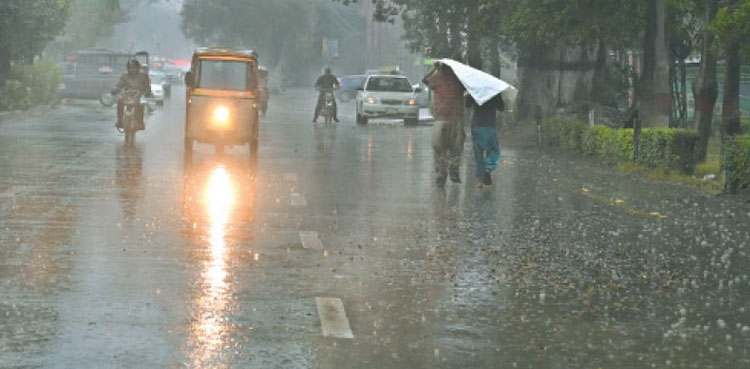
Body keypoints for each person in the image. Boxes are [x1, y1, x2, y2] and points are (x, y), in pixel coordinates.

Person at [422, 62, 466, 186]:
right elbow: (425, 80)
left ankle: (447, 172)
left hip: (450, 118)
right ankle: (447, 172)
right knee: (452, 146)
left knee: (442, 147)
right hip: (451, 118)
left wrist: (433, 68)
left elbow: (425, 79)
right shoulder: (456, 79)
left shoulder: (451, 78)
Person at [466, 93, 504, 188]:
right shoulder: (494, 91)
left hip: (477, 126)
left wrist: (470, 94)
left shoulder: (475, 90)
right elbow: (501, 107)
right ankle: (488, 169)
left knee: (478, 154)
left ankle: (479, 181)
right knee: (493, 150)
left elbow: (467, 104)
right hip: (489, 125)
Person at [112, 59, 152, 131]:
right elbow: (119, 85)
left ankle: (140, 123)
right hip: (127, 96)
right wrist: (115, 89)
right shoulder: (124, 76)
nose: (132, 69)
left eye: (134, 67)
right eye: (130, 68)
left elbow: (147, 87)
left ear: (138, 68)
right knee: (119, 101)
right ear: (128, 68)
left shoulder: (143, 76)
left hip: (139, 96)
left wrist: (146, 93)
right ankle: (120, 121)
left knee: (141, 105)